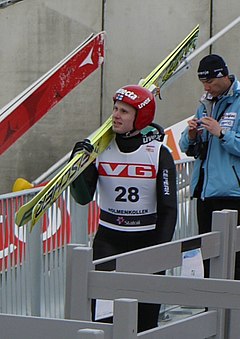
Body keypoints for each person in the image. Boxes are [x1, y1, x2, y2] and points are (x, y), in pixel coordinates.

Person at [70, 84, 177, 332]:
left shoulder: (159, 153)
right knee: (104, 320)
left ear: (140, 117)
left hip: (146, 242)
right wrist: (78, 167)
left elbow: (169, 209)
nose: (116, 115)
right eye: (115, 109)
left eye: (124, 111)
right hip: (109, 242)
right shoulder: (102, 149)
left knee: (145, 321)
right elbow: (83, 197)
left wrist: (159, 254)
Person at [179, 54, 240, 279]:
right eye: (203, 83)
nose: (207, 87)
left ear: (224, 76)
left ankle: (234, 311)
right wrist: (192, 134)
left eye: (211, 83)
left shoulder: (239, 100)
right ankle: (209, 309)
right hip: (204, 191)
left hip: (233, 193)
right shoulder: (205, 103)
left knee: (235, 259)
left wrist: (222, 133)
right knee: (207, 257)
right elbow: (186, 146)